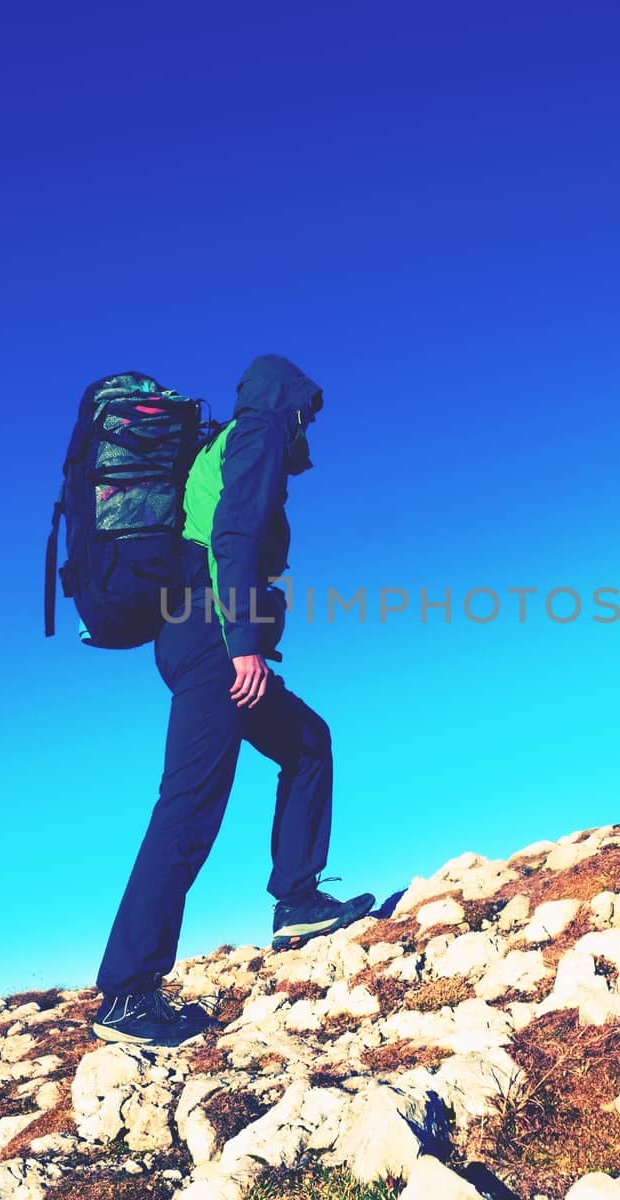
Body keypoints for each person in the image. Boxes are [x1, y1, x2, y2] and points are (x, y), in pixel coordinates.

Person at [92, 354, 374, 1045]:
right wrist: (243, 640)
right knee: (188, 807)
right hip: (212, 637)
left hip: (198, 633)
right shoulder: (258, 433)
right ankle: (127, 995)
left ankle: (298, 901)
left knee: (308, 742)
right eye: (307, 407)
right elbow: (235, 533)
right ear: (288, 400)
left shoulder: (226, 444)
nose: (309, 421)